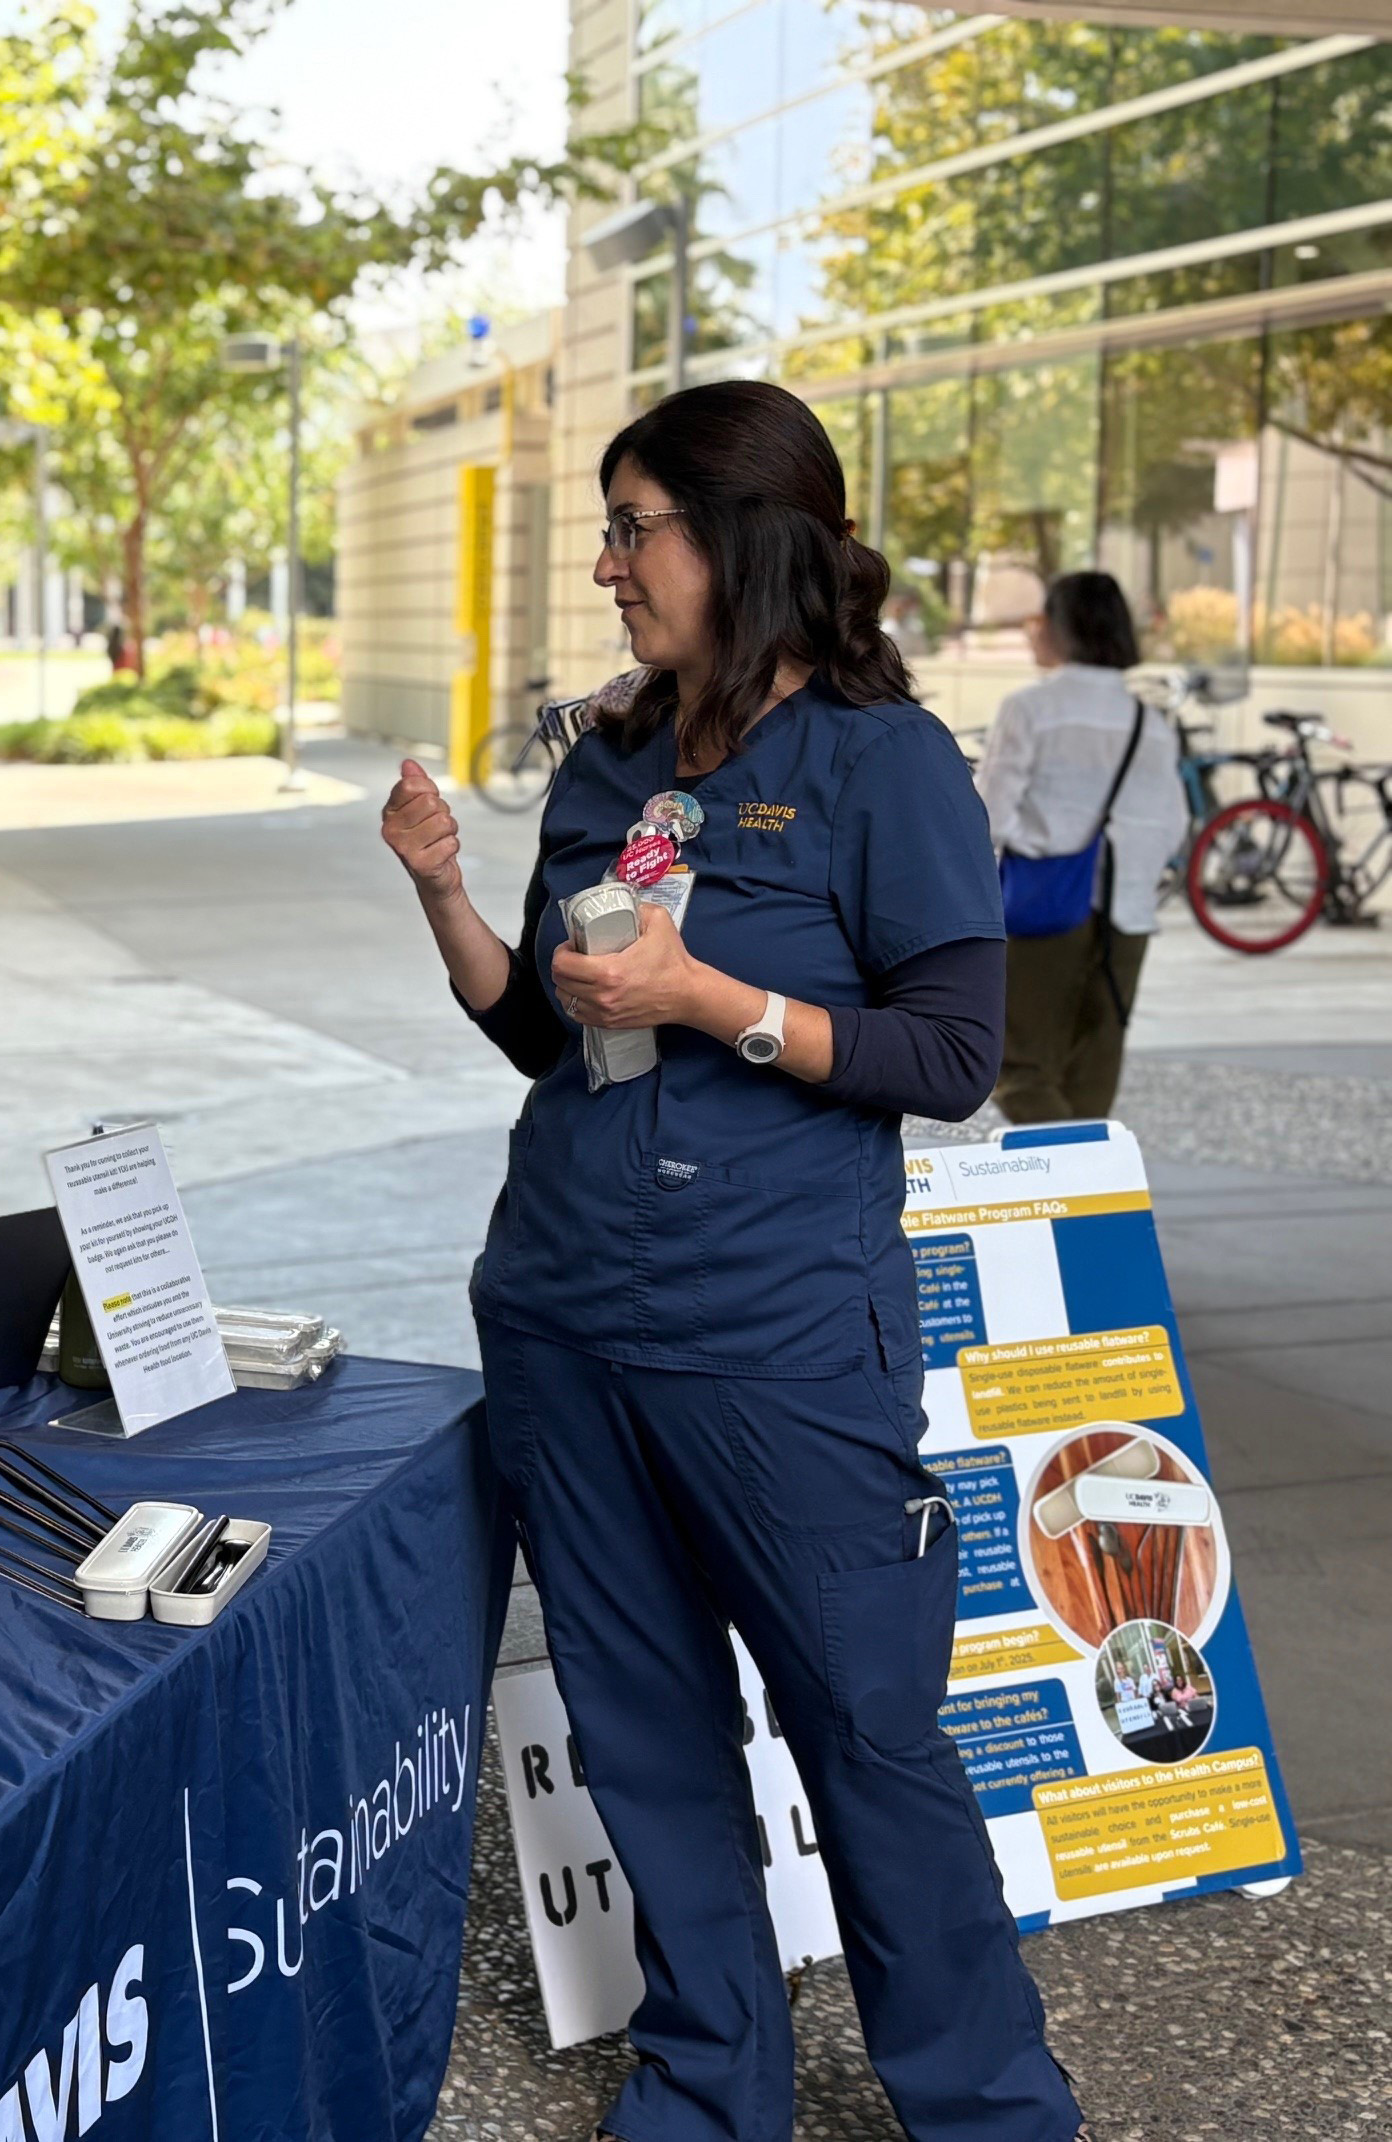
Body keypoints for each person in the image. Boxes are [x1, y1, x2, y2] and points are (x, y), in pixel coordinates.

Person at [380, 379, 1085, 2142]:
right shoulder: (613, 755)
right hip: (563, 1313)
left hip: (773, 1336)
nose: (607, 563)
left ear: (743, 540)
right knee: (641, 1727)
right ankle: (707, 2085)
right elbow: (553, 1037)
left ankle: (986, 2104)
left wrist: (713, 999)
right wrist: (448, 898)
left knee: (869, 1730)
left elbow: (947, 1057)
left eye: (635, 528)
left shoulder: (882, 762)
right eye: (610, 530)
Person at [975, 571, 1183, 1126]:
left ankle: (1074, 1182)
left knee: (1018, 1067)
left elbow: (987, 818)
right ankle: (1089, 1199)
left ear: (1063, 627)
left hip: (1043, 907)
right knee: (1092, 1072)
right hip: (1128, 915)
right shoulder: (1151, 721)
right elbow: (1173, 825)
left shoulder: (1031, 709)